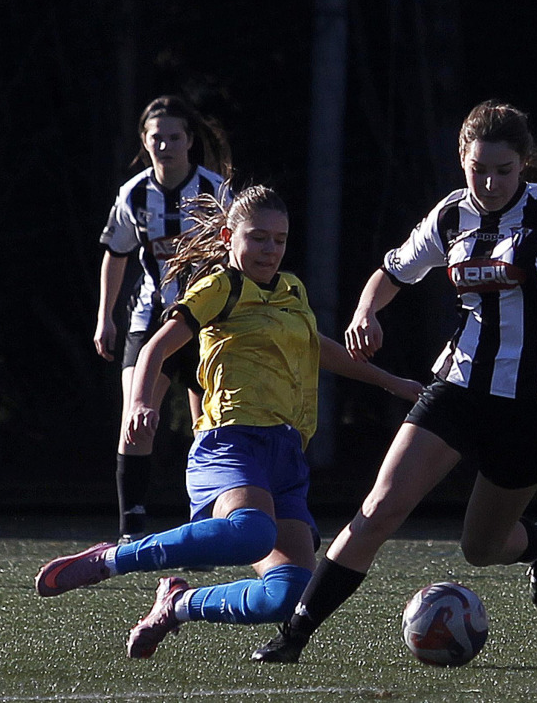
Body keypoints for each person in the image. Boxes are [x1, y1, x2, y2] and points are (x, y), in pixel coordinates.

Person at [251, 100, 537, 663]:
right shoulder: (450, 215)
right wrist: (366, 312)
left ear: (523, 165)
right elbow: (390, 273)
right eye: (478, 168)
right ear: (462, 159)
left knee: (480, 549)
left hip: (533, 408)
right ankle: (294, 635)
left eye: (504, 171)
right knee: (379, 508)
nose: (489, 182)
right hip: (457, 389)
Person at [36, 186, 423, 659]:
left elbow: (316, 347)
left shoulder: (292, 290)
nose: (270, 250)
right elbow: (157, 347)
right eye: (258, 238)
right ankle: (111, 560)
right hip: (231, 442)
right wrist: (139, 402)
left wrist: (391, 382)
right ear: (229, 236)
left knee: (288, 597)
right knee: (250, 533)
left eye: (279, 240)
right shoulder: (219, 287)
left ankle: (177, 605)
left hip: (286, 455)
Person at [97, 95, 233, 543]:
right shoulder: (133, 193)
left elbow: (238, 255)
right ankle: (130, 530)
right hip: (147, 320)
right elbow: (115, 254)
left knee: (209, 426)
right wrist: (106, 318)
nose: (166, 145)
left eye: (175, 137)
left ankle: (207, 526)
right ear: (144, 141)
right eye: (157, 137)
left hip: (205, 323)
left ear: (191, 141)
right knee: (135, 417)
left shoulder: (215, 192)